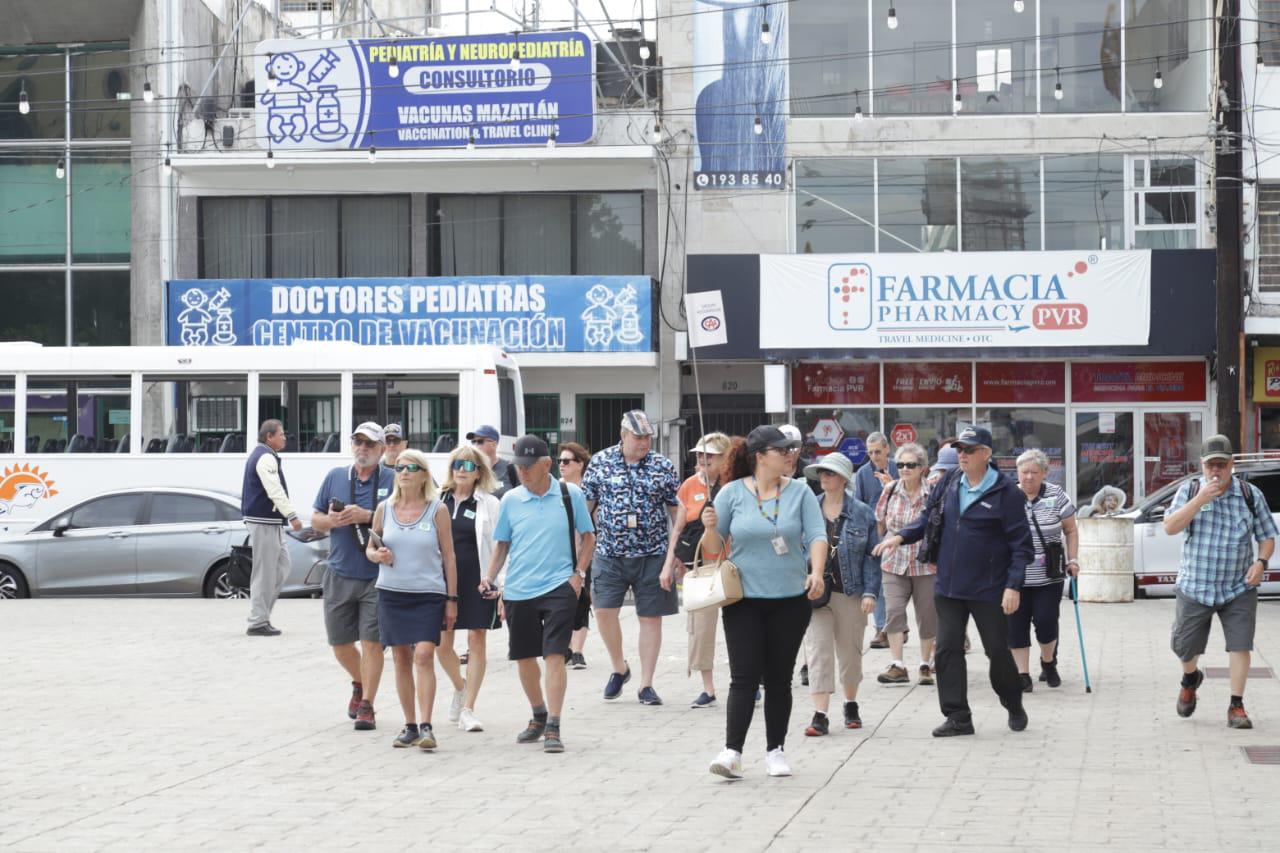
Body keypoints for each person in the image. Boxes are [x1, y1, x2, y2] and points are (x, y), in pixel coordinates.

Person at [874, 426, 1032, 738]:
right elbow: (928, 519)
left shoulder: (1006, 492)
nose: (962, 454)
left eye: (969, 449)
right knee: (946, 651)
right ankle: (958, 716)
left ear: (985, 454)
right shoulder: (948, 483)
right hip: (948, 585)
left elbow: (1021, 545)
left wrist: (1013, 586)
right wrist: (900, 536)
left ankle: (1013, 702)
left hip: (989, 589)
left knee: (997, 652)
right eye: (959, 449)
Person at [702, 425, 827, 779]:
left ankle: (776, 750)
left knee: (779, 679)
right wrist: (710, 527)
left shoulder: (800, 491)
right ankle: (732, 752)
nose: (789, 455)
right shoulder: (730, 494)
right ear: (761, 456)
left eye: (791, 450)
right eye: (782, 450)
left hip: (790, 600)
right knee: (743, 677)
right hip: (743, 600)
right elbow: (713, 551)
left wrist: (816, 571)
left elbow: (817, 535)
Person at [481, 435, 596, 753]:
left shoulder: (569, 494)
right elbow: (502, 544)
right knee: (524, 657)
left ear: (547, 465)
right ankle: (538, 714)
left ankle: (554, 726)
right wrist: (489, 578)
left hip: (560, 586)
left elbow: (589, 537)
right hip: (519, 589)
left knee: (555, 655)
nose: (523, 472)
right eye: (519, 466)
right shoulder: (511, 500)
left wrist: (579, 575)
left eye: (530, 466)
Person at [1162, 434, 1277, 729]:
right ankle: (1190, 678)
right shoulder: (1189, 491)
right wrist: (1200, 500)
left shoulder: (1250, 495)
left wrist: (1261, 563)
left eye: (1222, 465)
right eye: (1211, 465)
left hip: (1238, 587)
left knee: (1240, 645)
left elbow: (1266, 536)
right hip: (1195, 586)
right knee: (1185, 648)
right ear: (1202, 465)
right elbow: (1171, 527)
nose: (1216, 471)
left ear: (1231, 466)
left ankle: (1236, 706)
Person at [582, 410, 681, 706]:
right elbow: (584, 507)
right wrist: (578, 549)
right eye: (638, 437)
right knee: (603, 611)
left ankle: (646, 685)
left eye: (648, 437)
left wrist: (674, 554)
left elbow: (676, 510)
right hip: (609, 553)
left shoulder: (662, 466)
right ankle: (619, 668)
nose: (644, 442)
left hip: (652, 553)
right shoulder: (600, 462)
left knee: (650, 618)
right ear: (623, 435)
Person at [366, 449, 458, 750]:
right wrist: (377, 555)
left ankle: (427, 724)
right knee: (400, 657)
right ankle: (409, 725)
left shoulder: (437, 510)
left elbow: (449, 555)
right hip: (392, 593)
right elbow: (369, 549)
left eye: (411, 467)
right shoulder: (384, 509)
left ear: (422, 475)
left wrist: (451, 598)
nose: (404, 472)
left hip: (428, 593)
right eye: (400, 467)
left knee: (423, 655)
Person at [311, 422, 396, 731]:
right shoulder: (335, 477)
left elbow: (404, 519)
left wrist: (367, 515)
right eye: (358, 442)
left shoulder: (393, 478)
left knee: (372, 643)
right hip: (339, 572)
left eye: (369, 444)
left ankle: (368, 705)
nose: (362, 448)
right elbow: (315, 519)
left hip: (378, 576)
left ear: (382, 449)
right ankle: (359, 683)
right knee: (340, 644)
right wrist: (332, 521)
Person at [801, 451, 879, 736]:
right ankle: (820, 715)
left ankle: (850, 703)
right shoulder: (807, 507)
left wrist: (871, 592)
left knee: (849, 654)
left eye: (830, 473)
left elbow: (872, 557)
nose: (824, 477)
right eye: (821, 472)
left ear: (844, 479)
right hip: (815, 594)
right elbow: (798, 551)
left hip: (851, 592)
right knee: (817, 652)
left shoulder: (862, 512)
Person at [434, 443, 502, 733]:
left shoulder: (489, 503)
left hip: (479, 579)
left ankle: (469, 708)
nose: (462, 470)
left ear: (479, 472)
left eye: (469, 466)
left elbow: (501, 546)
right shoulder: (436, 500)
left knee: (477, 640)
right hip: (442, 581)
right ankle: (459, 686)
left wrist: (500, 583)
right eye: (458, 465)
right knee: (441, 644)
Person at [663, 431, 732, 708]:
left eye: (710, 455)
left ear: (724, 458)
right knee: (701, 628)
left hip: (731, 562)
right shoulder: (689, 486)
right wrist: (668, 564)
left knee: (740, 626)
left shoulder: (733, 485)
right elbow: (678, 528)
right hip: (699, 564)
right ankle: (708, 687)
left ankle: (749, 682)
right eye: (700, 455)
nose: (703, 460)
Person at [1011, 449, 1080, 692]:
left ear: (1044, 473)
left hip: (1048, 575)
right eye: (1024, 472)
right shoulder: (1008, 496)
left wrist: (1073, 560)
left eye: (1034, 472)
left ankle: (1048, 662)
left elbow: (1070, 530)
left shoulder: (1056, 495)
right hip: (1015, 577)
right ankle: (1022, 674)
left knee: (1046, 621)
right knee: (1015, 625)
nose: (1028, 477)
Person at [874, 442, 938, 687]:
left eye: (911, 465)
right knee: (894, 612)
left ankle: (925, 664)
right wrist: (879, 544)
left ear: (922, 468)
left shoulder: (932, 492)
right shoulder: (889, 490)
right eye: (900, 464)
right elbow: (879, 522)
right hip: (894, 562)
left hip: (925, 565)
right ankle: (898, 665)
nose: (904, 469)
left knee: (927, 615)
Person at [241, 418, 303, 636]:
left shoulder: (266, 455)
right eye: (281, 434)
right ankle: (257, 621)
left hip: (270, 521)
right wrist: (292, 515)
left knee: (282, 567)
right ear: (269, 437)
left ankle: (262, 615)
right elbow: (274, 489)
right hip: (263, 521)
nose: (284, 437)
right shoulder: (265, 457)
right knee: (264, 573)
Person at [856, 432, 899, 648]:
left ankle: (900, 628)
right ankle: (881, 628)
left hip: (902, 534)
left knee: (901, 585)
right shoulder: (863, 474)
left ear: (887, 450)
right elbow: (859, 506)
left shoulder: (901, 469)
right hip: (876, 535)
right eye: (870, 452)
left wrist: (893, 485)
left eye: (878, 452)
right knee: (880, 583)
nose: (874, 456)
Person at [558, 441, 594, 669]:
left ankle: (578, 650)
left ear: (580, 464)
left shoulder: (589, 491)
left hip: (583, 551)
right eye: (560, 461)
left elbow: (593, 525)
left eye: (566, 461)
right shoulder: (555, 488)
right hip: (559, 553)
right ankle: (566, 647)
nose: (561, 465)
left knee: (581, 600)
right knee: (562, 601)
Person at [466, 425, 519, 499]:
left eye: (480, 441)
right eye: (473, 442)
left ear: (494, 444)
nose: (475, 445)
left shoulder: (510, 467)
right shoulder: (470, 468)